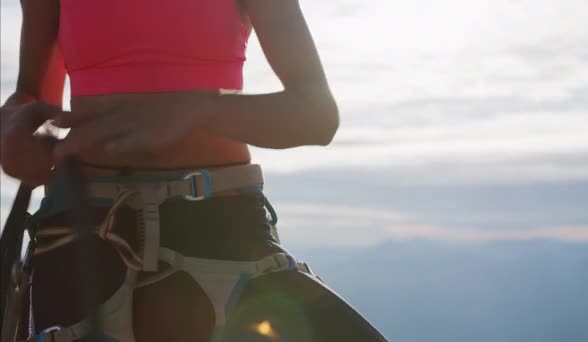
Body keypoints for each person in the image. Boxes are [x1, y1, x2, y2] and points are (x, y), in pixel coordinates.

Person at [0, 0, 387, 341]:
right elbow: (34, 99)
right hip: (84, 236)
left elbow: (316, 114)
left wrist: (201, 108)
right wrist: (16, 131)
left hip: (220, 232)